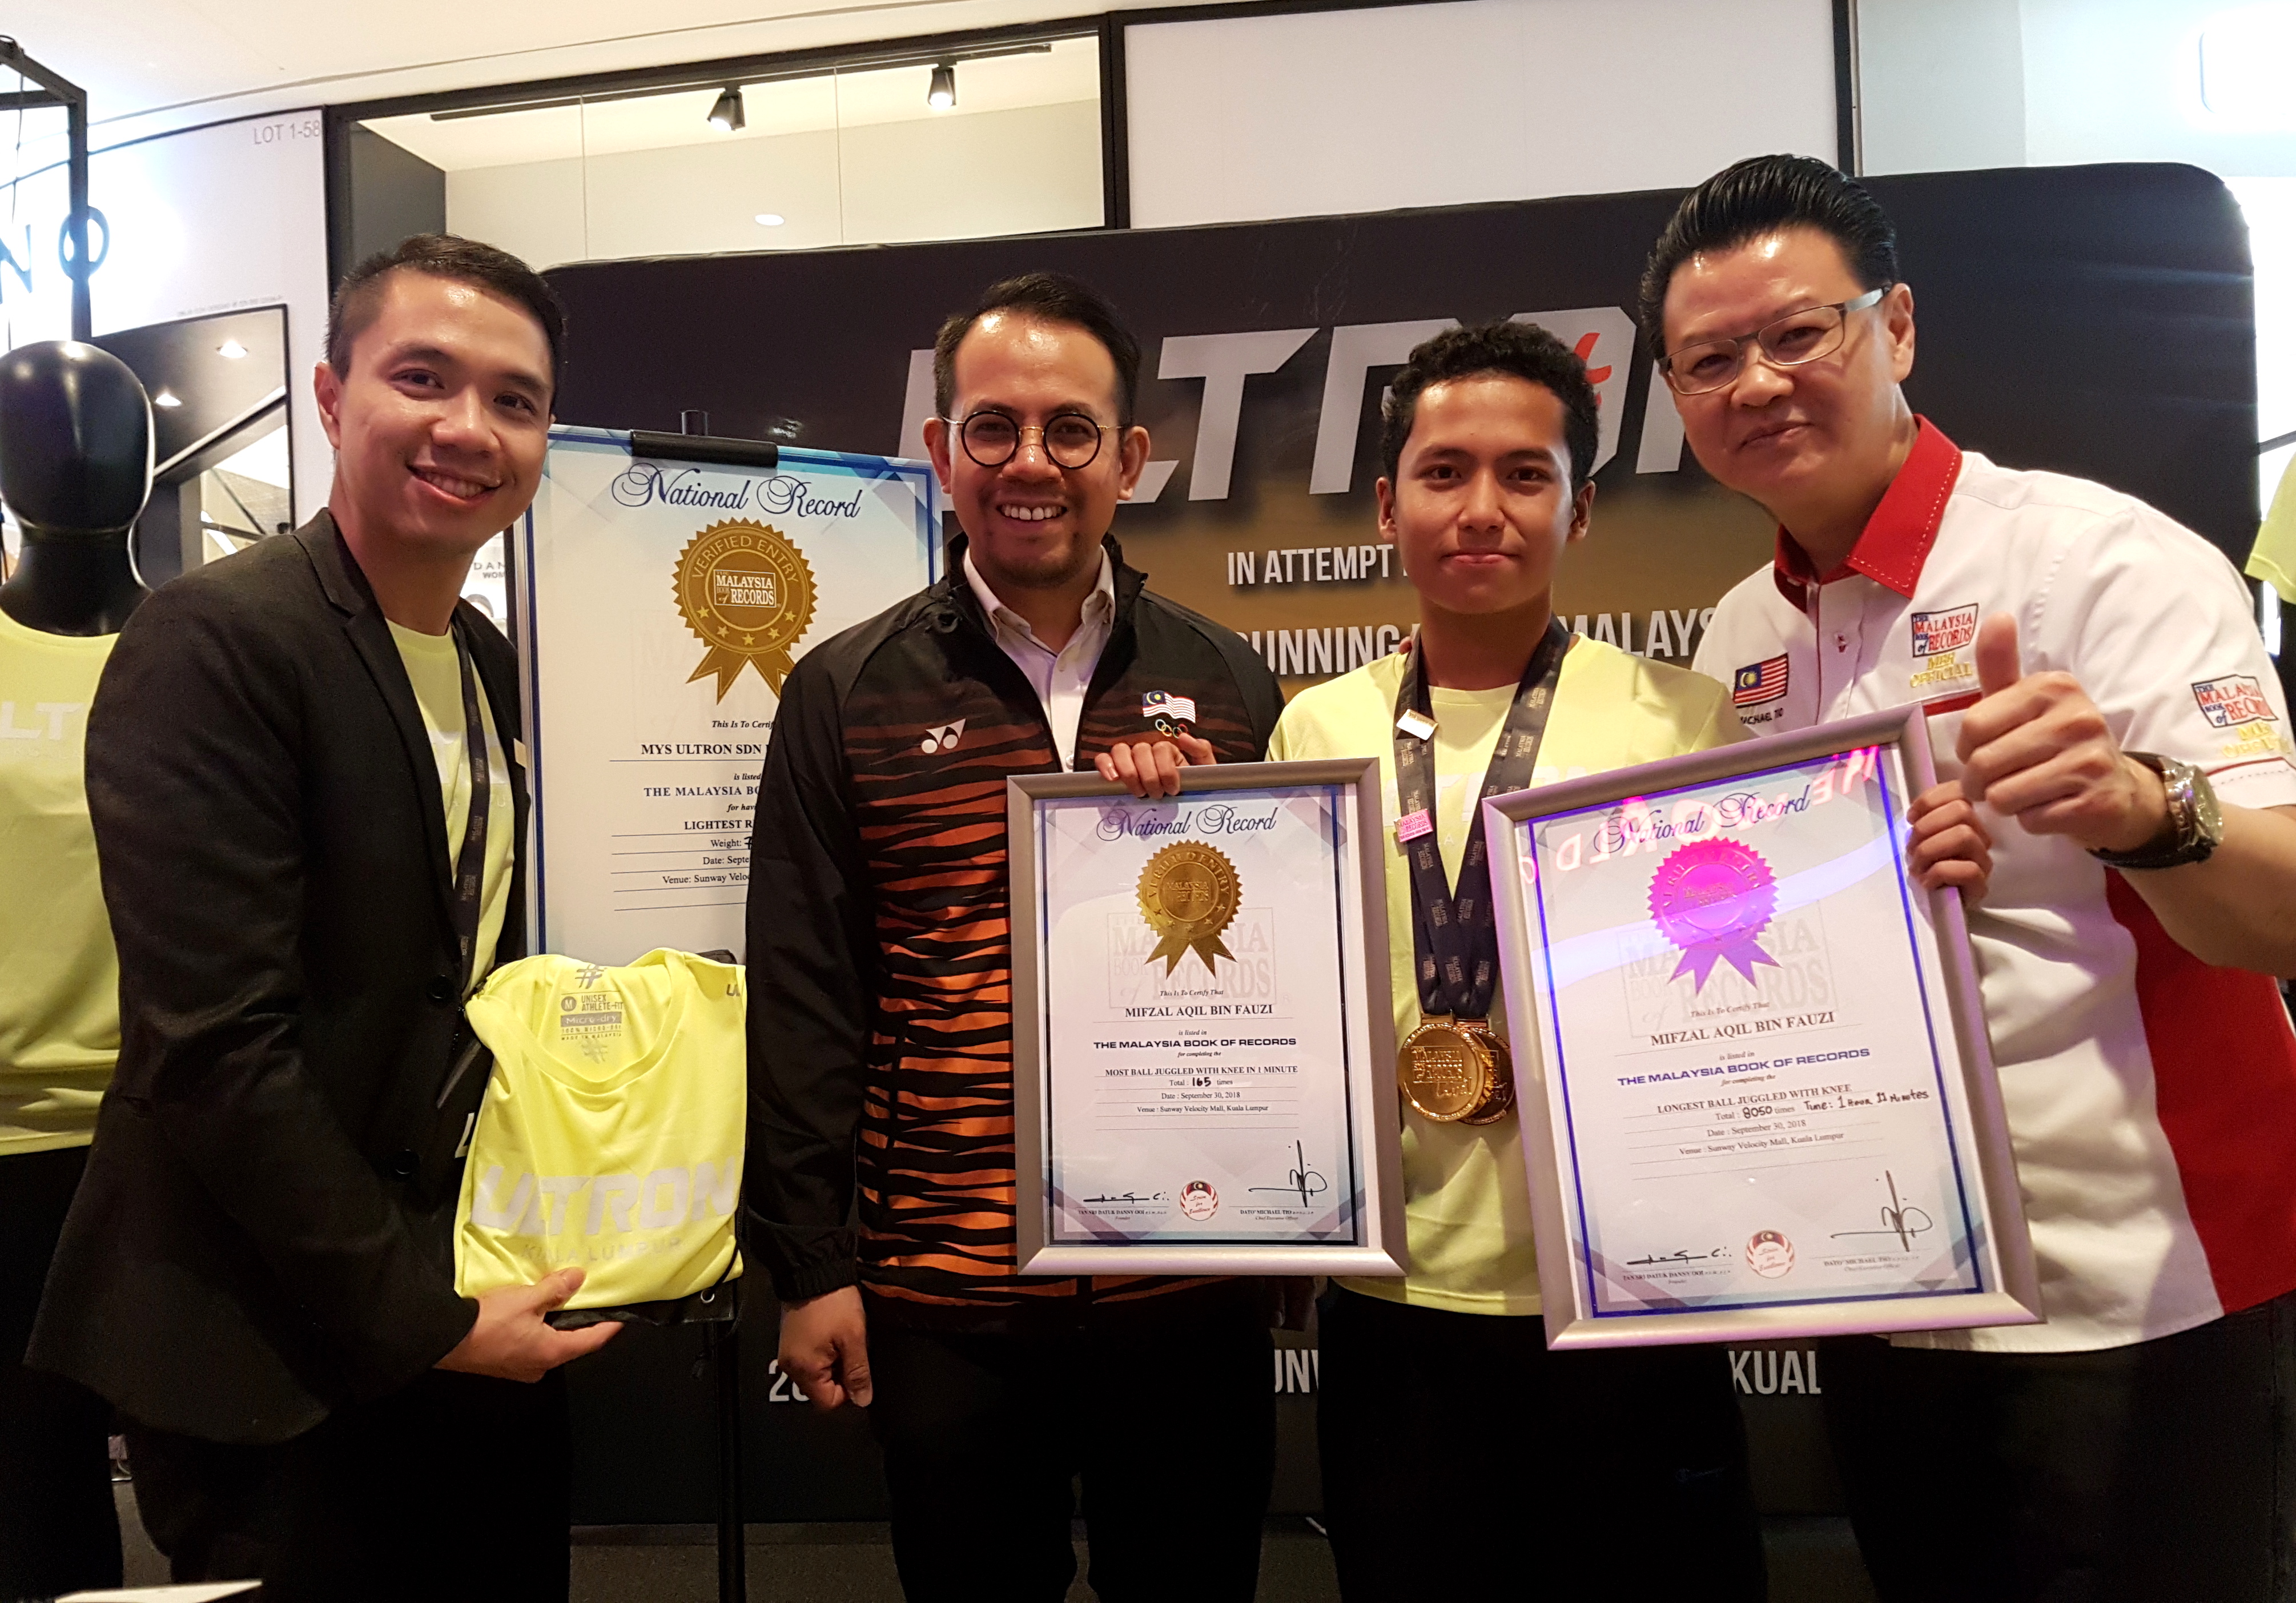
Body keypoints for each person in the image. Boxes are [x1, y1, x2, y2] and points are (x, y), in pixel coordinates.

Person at [1652, 153, 2296, 1603]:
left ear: (1895, 328)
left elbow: (2285, 910)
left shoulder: (2100, 564)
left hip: (2141, 1291)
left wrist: (2144, 811)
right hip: (1887, 1291)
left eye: (1797, 333)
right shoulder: (1740, 631)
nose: (1758, 383)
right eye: (1710, 360)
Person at [1271, 319, 1942, 1599]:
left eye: (1525, 475)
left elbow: (1788, 968)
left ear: (1579, 510)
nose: (1482, 508)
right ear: (1387, 506)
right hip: (1399, 1304)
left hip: (1632, 1296)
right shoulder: (1316, 726)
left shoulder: (1681, 718)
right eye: (1443, 472)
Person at [29, 235, 618, 1601]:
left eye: (515, 400)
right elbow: (215, 1046)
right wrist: (423, 1318)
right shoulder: (216, 641)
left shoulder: (483, 658)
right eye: (424, 377)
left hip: (462, 1295)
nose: (469, 428)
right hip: (273, 1343)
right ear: (333, 395)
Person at [747, 270, 1285, 1603]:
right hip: (946, 1291)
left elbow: (1284, 979)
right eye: (992, 427)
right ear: (942, 451)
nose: (1030, 463)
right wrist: (809, 1266)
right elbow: (807, 995)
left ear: (1130, 458)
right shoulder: (844, 689)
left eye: (1070, 429)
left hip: (1186, 1280)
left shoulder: (1225, 680)